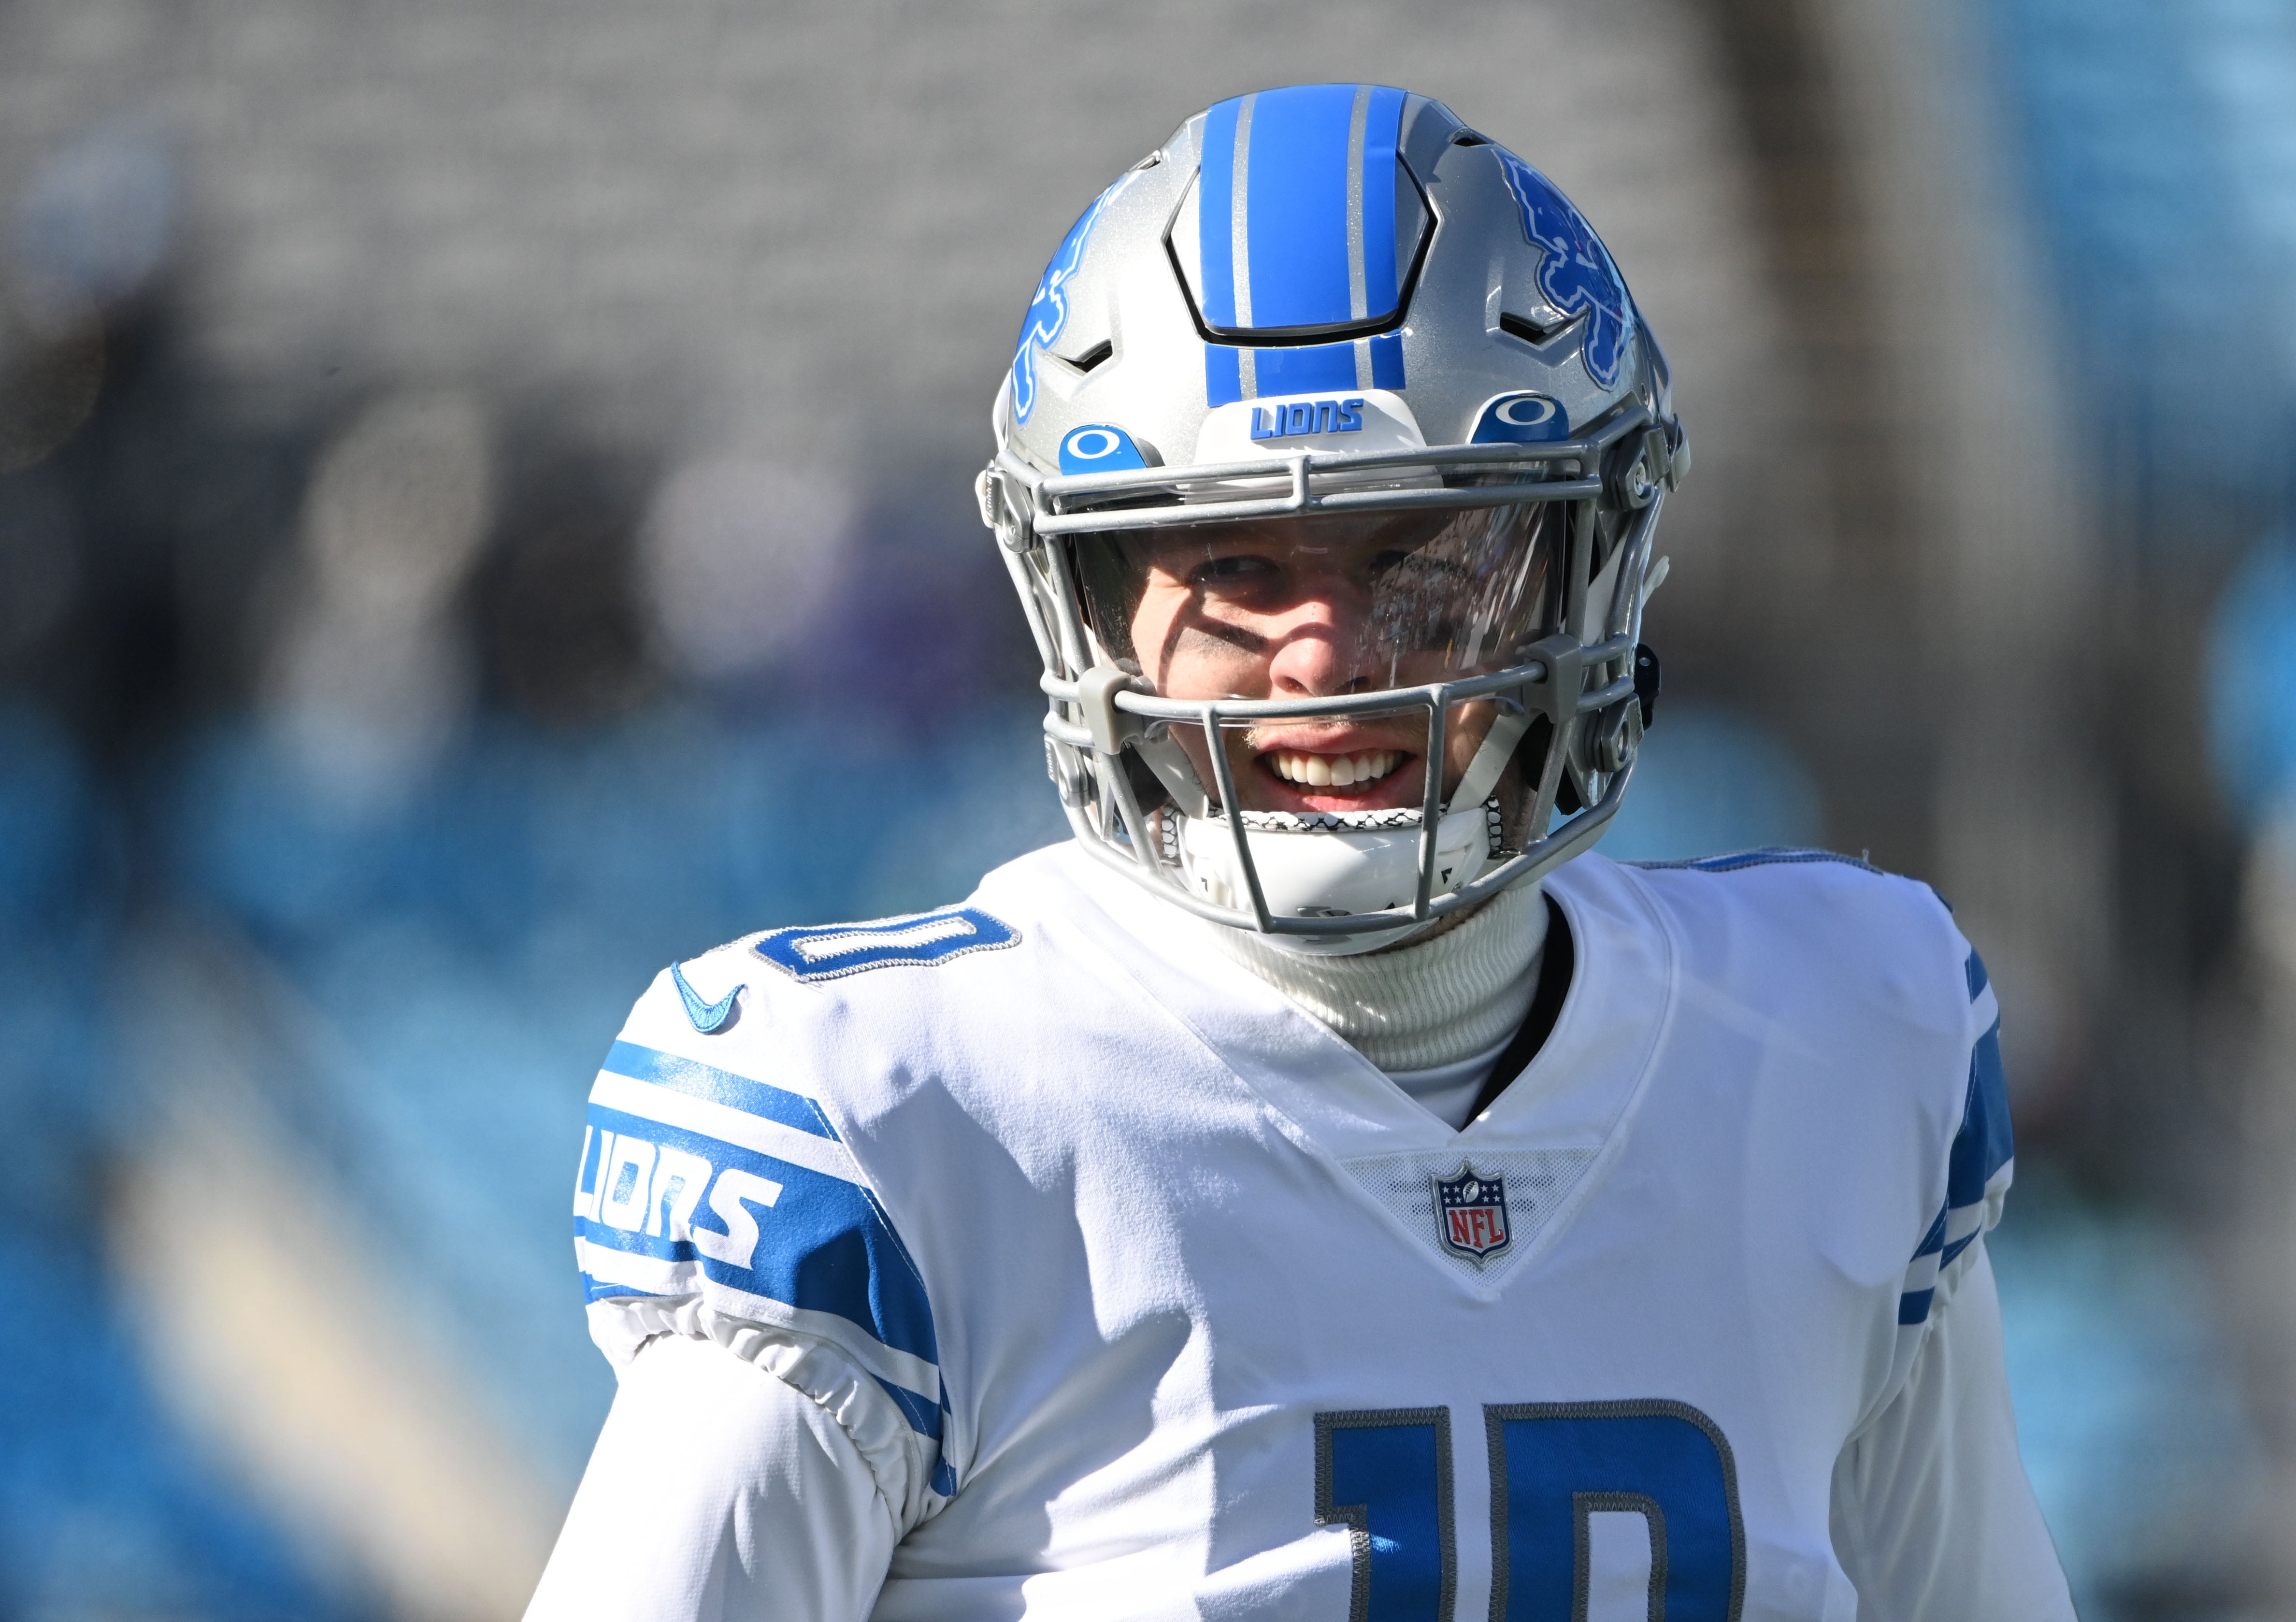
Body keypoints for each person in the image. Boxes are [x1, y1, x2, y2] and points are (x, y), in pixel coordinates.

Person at [527, 84, 2076, 1622]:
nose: (1323, 652)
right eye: (1234, 564)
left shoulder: (1833, 1043)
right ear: (1093, 600)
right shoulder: (898, 1114)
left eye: (1421, 557)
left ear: (1588, 570)